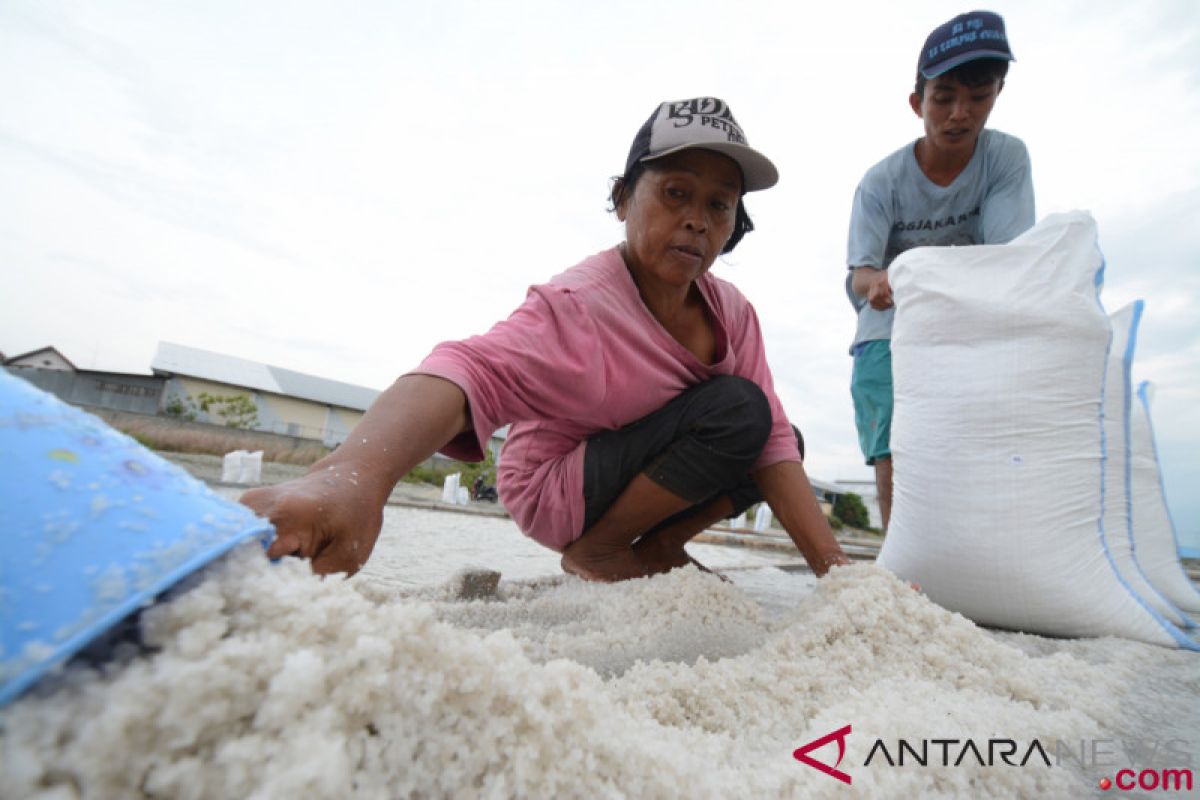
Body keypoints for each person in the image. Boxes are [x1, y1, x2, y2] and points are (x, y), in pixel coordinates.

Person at [242, 96, 850, 582]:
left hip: (636, 464)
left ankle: (660, 547)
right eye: (675, 193)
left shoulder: (733, 314)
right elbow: (465, 370)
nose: (696, 219)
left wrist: (839, 577)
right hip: (554, 485)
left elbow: (768, 440)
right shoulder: (578, 307)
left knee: (774, 432)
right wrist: (349, 479)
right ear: (622, 199)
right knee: (737, 409)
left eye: (719, 205)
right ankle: (603, 552)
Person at [845, 11, 1035, 531]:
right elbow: (861, 276)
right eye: (944, 97)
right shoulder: (881, 182)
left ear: (997, 94)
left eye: (978, 97)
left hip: (969, 322)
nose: (959, 114)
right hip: (890, 327)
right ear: (917, 103)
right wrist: (882, 283)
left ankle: (968, 554)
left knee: (966, 441)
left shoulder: (1006, 160)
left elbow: (1005, 260)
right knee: (894, 441)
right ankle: (901, 556)